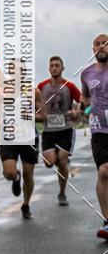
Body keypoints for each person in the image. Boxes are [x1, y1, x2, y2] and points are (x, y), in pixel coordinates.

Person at [0, 70, 45, 219]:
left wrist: (29, 116)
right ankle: (16, 178)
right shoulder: (3, 91)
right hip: (9, 137)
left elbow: (42, 115)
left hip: (29, 137)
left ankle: (26, 204)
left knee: (29, 173)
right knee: (9, 172)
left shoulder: (33, 92)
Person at [37, 56, 81, 206]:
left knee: (62, 161)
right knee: (50, 163)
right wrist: (37, 115)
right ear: (49, 69)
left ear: (63, 68)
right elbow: (34, 103)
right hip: (48, 130)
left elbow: (82, 102)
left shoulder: (70, 86)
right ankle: (59, 157)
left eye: (57, 65)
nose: (54, 68)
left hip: (65, 129)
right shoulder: (42, 86)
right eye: (52, 66)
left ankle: (62, 193)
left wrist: (76, 113)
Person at [80, 34, 108, 240]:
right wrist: (82, 108)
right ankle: (107, 222)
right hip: (99, 130)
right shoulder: (87, 74)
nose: (101, 47)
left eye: (105, 43)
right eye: (97, 44)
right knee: (104, 172)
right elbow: (85, 98)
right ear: (93, 50)